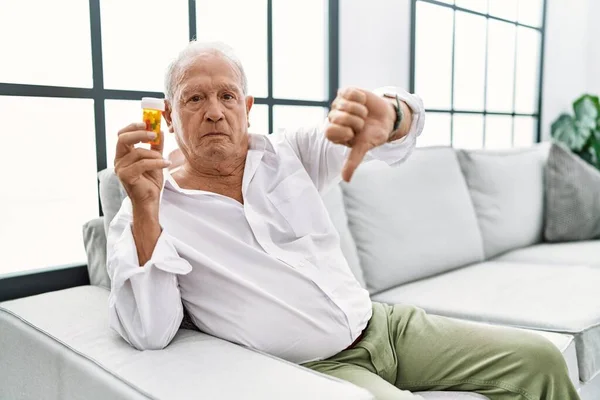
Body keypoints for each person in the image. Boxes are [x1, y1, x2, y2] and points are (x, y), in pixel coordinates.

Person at [107, 40, 579, 400]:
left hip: (387, 326)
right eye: (194, 99)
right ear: (167, 115)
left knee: (538, 360)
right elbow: (151, 331)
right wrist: (147, 210)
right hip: (316, 368)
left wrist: (392, 113)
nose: (214, 112)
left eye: (228, 96)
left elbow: (390, 128)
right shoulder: (146, 206)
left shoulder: (290, 151)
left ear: (247, 109)